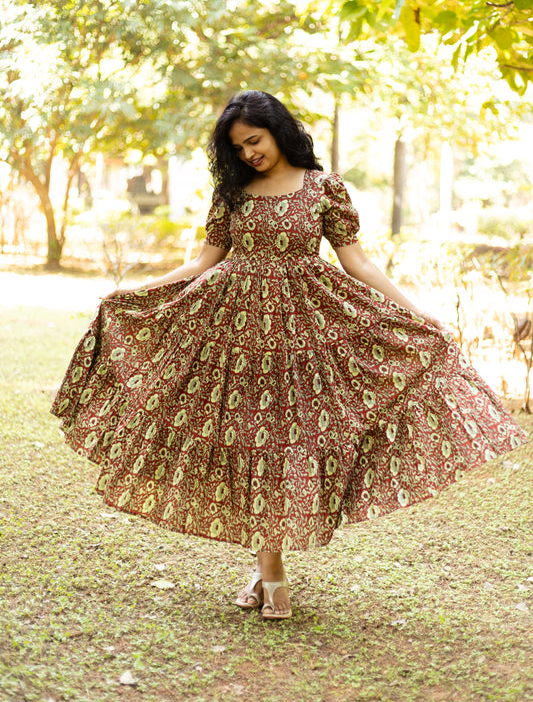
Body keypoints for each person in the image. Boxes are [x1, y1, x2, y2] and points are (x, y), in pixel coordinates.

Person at [51, 90, 527, 621]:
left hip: (307, 333)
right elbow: (204, 262)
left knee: (282, 443)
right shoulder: (233, 194)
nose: (249, 154)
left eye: (254, 140)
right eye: (238, 147)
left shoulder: (324, 188)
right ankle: (269, 569)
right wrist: (138, 291)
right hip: (233, 332)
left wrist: (418, 312)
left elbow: (358, 263)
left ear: (278, 129)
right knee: (249, 441)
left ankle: (264, 569)